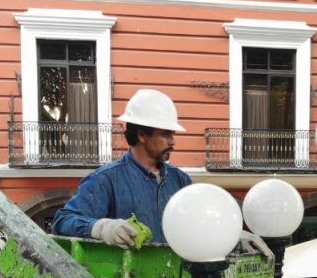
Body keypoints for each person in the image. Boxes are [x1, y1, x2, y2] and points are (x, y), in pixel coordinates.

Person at [52, 89, 269, 256]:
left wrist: (232, 236)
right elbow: (62, 221)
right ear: (142, 135)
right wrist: (101, 228)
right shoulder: (105, 180)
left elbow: (199, 224)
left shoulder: (180, 180)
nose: (173, 141)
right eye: (166, 134)